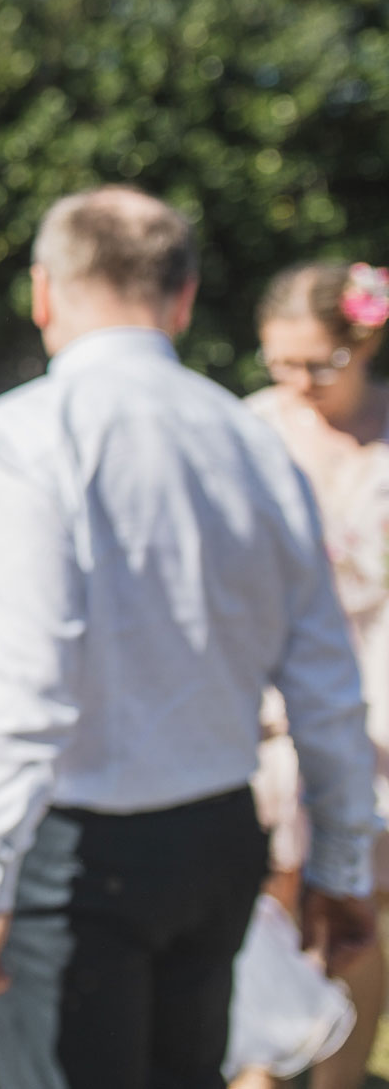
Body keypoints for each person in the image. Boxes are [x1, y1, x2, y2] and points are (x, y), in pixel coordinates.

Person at [0, 188, 380, 1089]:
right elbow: (325, 673)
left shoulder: (23, 434)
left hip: (81, 856)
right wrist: (342, 859)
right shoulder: (251, 442)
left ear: (42, 292)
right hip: (219, 838)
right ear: (184, 297)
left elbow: (25, 685)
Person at [235, 259, 389, 1089]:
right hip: (268, 692)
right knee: (267, 902)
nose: (299, 383)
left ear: (363, 339)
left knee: (362, 905)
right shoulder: (251, 428)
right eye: (281, 362)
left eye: (318, 364)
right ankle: (257, 1070)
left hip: (379, 691)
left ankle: (341, 1078)